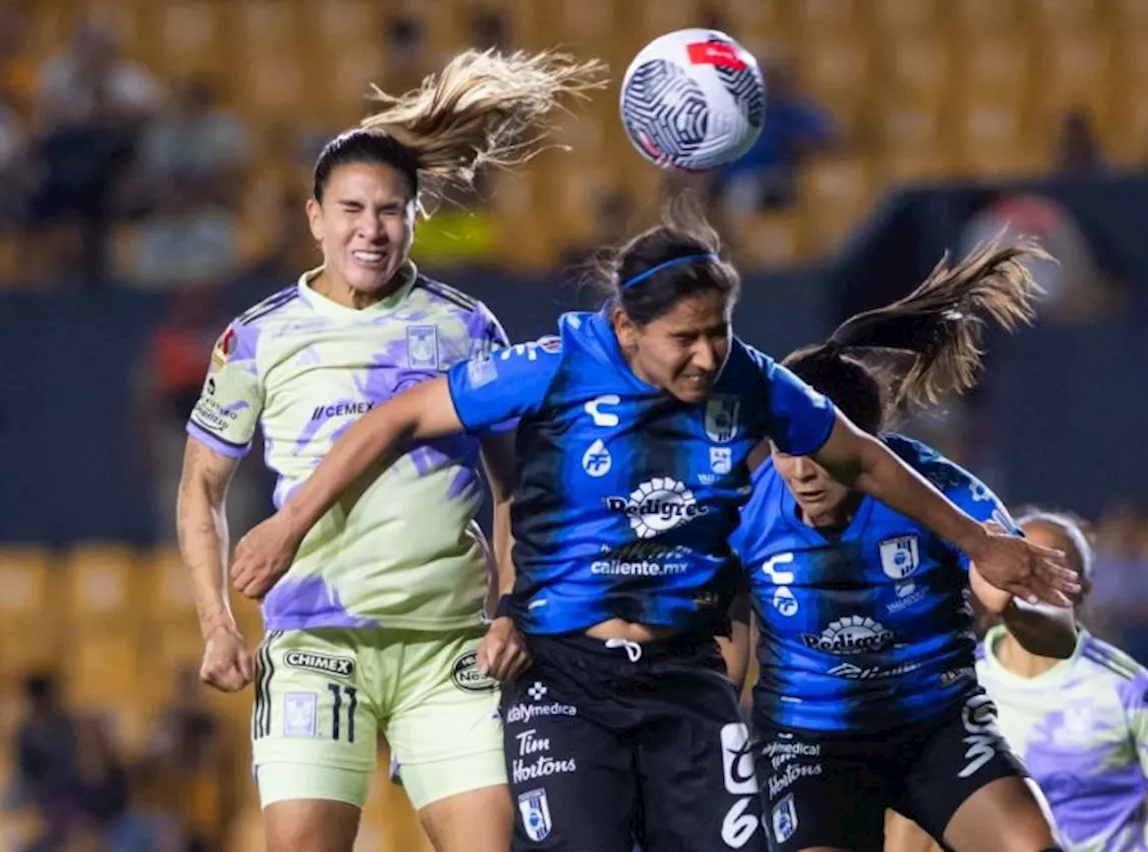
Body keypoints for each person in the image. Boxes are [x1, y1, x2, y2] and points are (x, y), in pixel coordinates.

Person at [231, 201, 1078, 852]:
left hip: (682, 678)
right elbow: (397, 420)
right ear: (627, 329)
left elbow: (863, 455)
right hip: (564, 676)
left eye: (719, 332)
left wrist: (976, 540)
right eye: (686, 338)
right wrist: (290, 523)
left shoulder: (747, 381)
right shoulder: (557, 364)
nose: (708, 357)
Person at [175, 49, 604, 852]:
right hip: (314, 646)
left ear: (414, 216)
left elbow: (516, 485)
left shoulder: (465, 328)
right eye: (351, 210)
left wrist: (512, 607)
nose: (370, 230)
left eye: (390, 211)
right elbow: (200, 486)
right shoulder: (259, 337)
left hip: (449, 648)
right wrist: (215, 624)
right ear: (314, 217)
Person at [732, 240, 1074, 852]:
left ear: (865, 448)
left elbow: (1056, 631)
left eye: (822, 453)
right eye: (785, 449)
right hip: (808, 744)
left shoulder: (938, 491)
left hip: (937, 726)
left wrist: (1016, 610)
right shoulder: (743, 509)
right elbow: (726, 646)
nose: (803, 471)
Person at [966, 510, 1148, 851]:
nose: (1030, 581)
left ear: (1082, 590)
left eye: (1050, 569)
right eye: (1023, 564)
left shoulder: (1129, 689)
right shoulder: (957, 685)